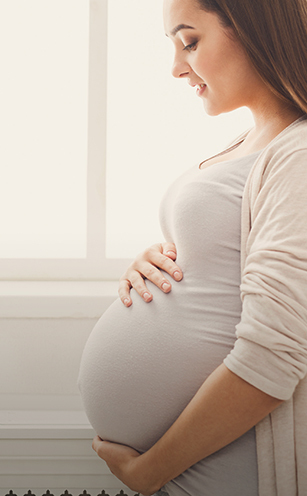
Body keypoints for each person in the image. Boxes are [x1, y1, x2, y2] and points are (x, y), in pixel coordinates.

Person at [78, 0, 307, 494]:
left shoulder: (301, 153)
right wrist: (159, 263)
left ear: (254, 28)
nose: (177, 68)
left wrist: (150, 470)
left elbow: (274, 354)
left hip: (222, 471)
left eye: (190, 41)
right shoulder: (255, 140)